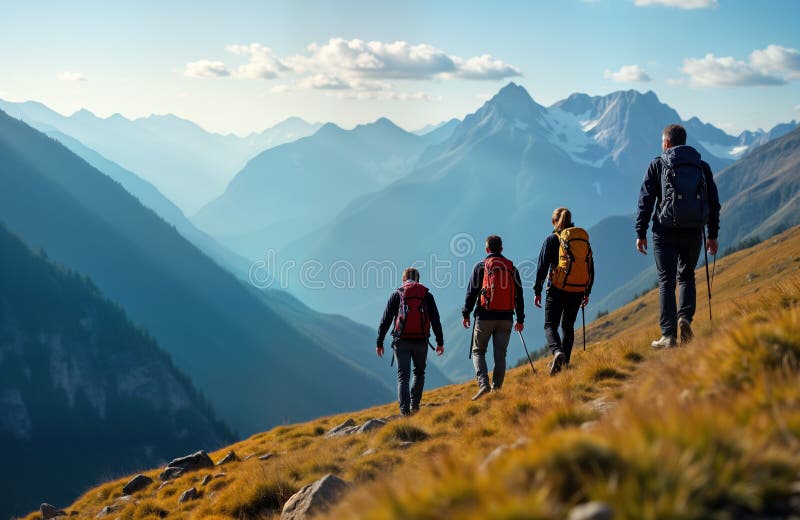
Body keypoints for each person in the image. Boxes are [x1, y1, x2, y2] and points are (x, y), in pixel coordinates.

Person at [635, 124, 721, 348]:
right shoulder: (701, 166)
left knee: (666, 281)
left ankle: (668, 335)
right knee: (687, 276)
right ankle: (684, 318)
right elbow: (713, 203)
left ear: (666, 143)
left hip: (664, 231)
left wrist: (640, 232)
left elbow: (645, 201)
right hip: (694, 230)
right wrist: (712, 235)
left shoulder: (658, 164)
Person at [462, 235, 525, 400]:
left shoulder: (481, 266)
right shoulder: (511, 267)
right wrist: (520, 319)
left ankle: (484, 384)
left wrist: (466, 313)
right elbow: (519, 295)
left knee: (478, 351)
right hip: (506, 318)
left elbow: (471, 292)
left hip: (485, 316)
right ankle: (497, 390)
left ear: (486, 249)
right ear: (502, 249)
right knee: (500, 355)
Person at [534, 207, 594, 375]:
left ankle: (557, 352)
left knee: (550, 325)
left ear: (554, 222)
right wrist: (586, 292)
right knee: (568, 326)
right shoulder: (581, 240)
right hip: (577, 289)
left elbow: (542, 268)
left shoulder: (551, 240)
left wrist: (537, 290)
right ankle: (564, 363)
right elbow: (590, 266)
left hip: (557, 289)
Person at [377, 267, 444, 416]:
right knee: (419, 373)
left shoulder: (397, 294)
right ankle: (415, 405)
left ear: (404, 279)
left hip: (401, 341)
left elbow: (386, 319)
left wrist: (379, 342)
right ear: (418, 279)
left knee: (403, 376)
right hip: (421, 341)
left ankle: (404, 411)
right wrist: (440, 341)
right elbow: (435, 320)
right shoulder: (427, 295)